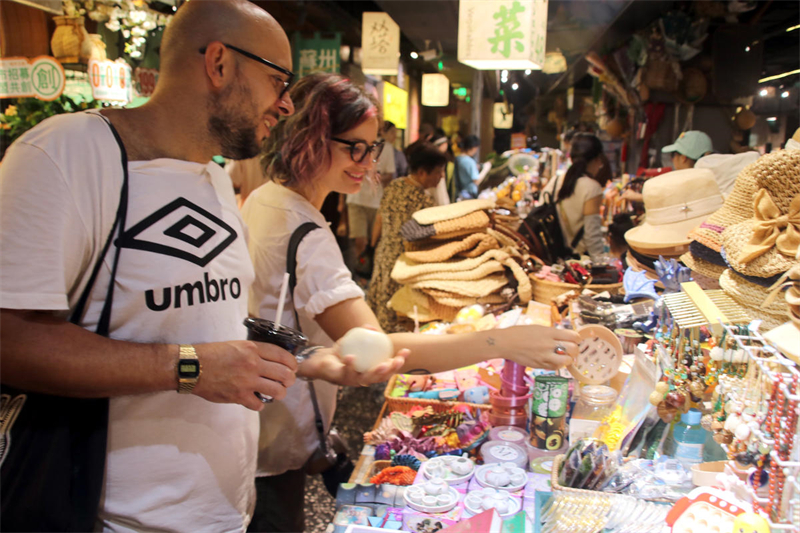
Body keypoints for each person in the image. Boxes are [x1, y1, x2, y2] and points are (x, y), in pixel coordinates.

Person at [0, 2, 377, 531]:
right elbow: (11, 342)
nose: (286, 104)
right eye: (277, 81)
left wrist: (305, 359)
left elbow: (206, 320)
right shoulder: (65, 153)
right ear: (219, 63)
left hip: (222, 513)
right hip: (111, 517)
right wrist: (190, 368)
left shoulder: (216, 181)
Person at [242, 73, 581, 532]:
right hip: (272, 434)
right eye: (353, 147)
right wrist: (503, 341)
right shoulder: (304, 233)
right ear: (309, 139)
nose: (366, 162)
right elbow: (377, 351)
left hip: (259, 421)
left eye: (372, 147)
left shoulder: (265, 200)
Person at [368, 145, 444, 332]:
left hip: (384, 254)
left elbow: (379, 217)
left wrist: (371, 245)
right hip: (405, 262)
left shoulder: (394, 186)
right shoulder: (424, 200)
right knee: (398, 307)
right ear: (422, 172)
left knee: (380, 301)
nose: (441, 177)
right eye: (438, 172)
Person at [541, 132, 607, 261]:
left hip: (552, 259)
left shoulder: (555, 181)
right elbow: (592, 234)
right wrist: (600, 263)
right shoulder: (592, 188)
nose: (601, 165)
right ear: (596, 159)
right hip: (578, 263)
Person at [454, 134, 491, 199]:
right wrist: (486, 168)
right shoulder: (469, 161)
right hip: (468, 195)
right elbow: (476, 181)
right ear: (474, 147)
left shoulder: (458, 158)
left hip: (460, 194)